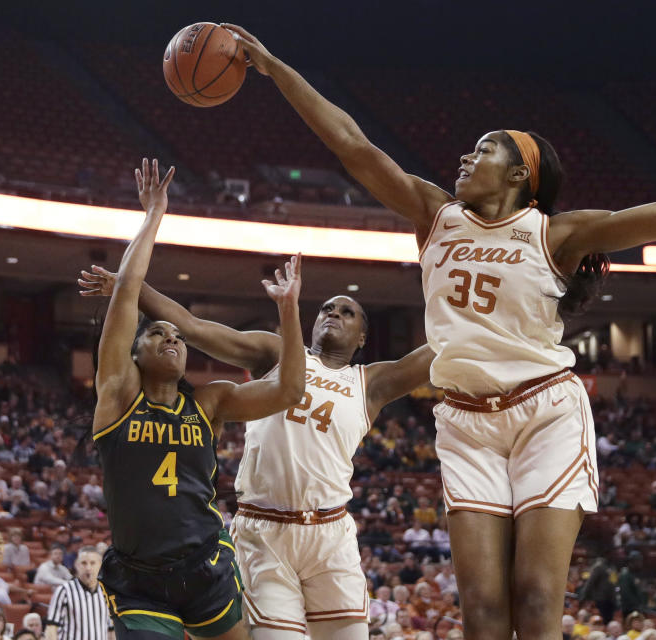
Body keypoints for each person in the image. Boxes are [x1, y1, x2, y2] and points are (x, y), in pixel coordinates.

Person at [219, 21, 656, 640]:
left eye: (484, 149)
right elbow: (352, 145)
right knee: (484, 614)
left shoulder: (557, 234)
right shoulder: (435, 215)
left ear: (521, 174)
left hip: (544, 411)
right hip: (465, 422)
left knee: (539, 597)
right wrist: (276, 69)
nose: (467, 156)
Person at [80, 256, 432, 640]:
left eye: (348, 312)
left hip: (330, 531)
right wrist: (130, 287)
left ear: (363, 336)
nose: (334, 314)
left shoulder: (372, 381)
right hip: (264, 528)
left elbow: (440, 348)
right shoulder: (278, 352)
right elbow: (193, 327)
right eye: (327, 309)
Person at [90, 158, 306, 640]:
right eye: (158, 334)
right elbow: (127, 291)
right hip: (139, 580)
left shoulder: (208, 404)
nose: (172, 338)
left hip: (207, 566)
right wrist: (153, 217)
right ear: (135, 353)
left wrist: (289, 313)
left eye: (179, 336)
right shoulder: (118, 394)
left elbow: (290, 390)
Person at [45, 546, 111, 640]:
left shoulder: (106, 592)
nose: (88, 568)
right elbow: (51, 628)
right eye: (84, 563)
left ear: (100, 565)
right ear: (76, 565)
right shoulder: (64, 591)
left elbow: (111, 630)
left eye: (93, 563)